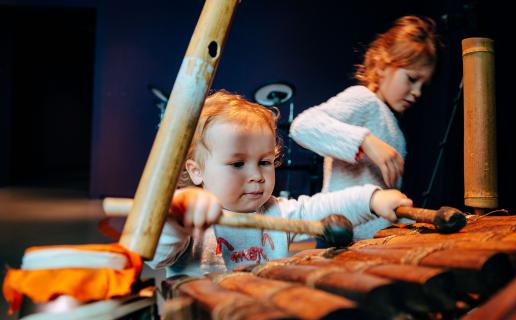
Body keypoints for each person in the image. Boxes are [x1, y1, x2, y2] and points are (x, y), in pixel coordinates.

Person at [147, 91, 413, 277]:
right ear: (196, 171)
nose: (257, 175)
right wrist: (177, 217)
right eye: (238, 164)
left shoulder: (277, 212)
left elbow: (321, 207)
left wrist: (371, 199)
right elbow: (158, 255)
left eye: (264, 162)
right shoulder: (191, 218)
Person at [290, 15, 438, 239]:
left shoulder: (393, 125)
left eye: (422, 86)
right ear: (382, 65)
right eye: (411, 78)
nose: (417, 92)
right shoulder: (364, 99)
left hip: (373, 241)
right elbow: (303, 126)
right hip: (343, 236)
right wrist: (365, 141)